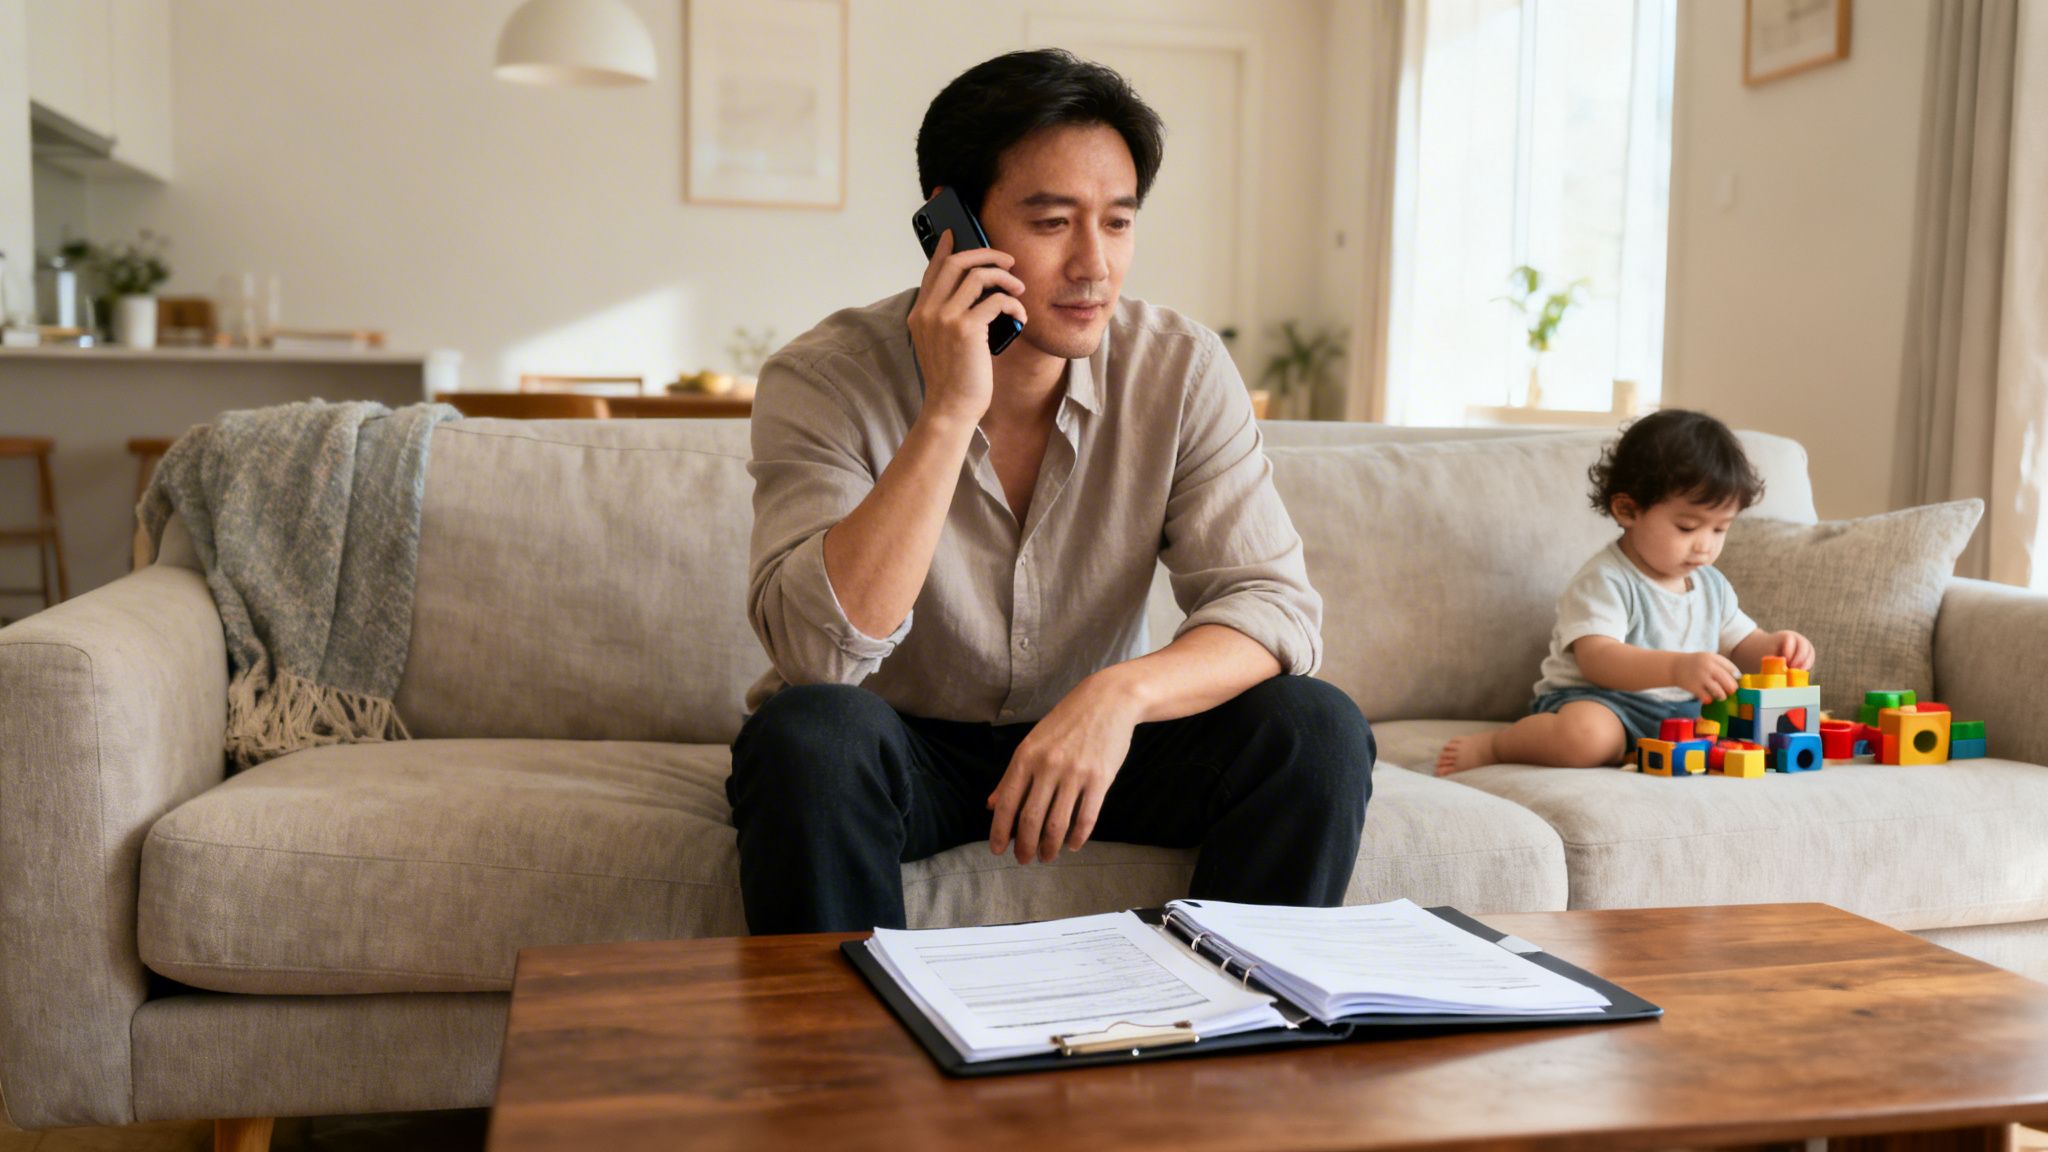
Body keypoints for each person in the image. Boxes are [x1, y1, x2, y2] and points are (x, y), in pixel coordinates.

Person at [727, 49, 1375, 934]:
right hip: (901, 749)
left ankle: (1235, 1030)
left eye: (1116, 223)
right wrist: (951, 411)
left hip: (1096, 745)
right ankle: (846, 1067)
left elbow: (1272, 606)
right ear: (949, 228)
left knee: (1315, 730)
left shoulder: (1180, 368)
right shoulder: (825, 377)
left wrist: (1118, 698)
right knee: (810, 739)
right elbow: (819, 656)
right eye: (1052, 221)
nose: (1093, 265)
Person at [1436, 409, 1816, 776]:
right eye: (1687, 527)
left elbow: (1741, 642)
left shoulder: (1711, 585)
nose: (1705, 546)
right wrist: (1676, 667)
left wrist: (1775, 648)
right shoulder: (1606, 579)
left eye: (1719, 530)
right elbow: (1599, 660)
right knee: (1586, 738)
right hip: (1599, 703)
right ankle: (1496, 745)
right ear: (1627, 510)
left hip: (1683, 716)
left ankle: (1638, 749)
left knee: (1752, 734)